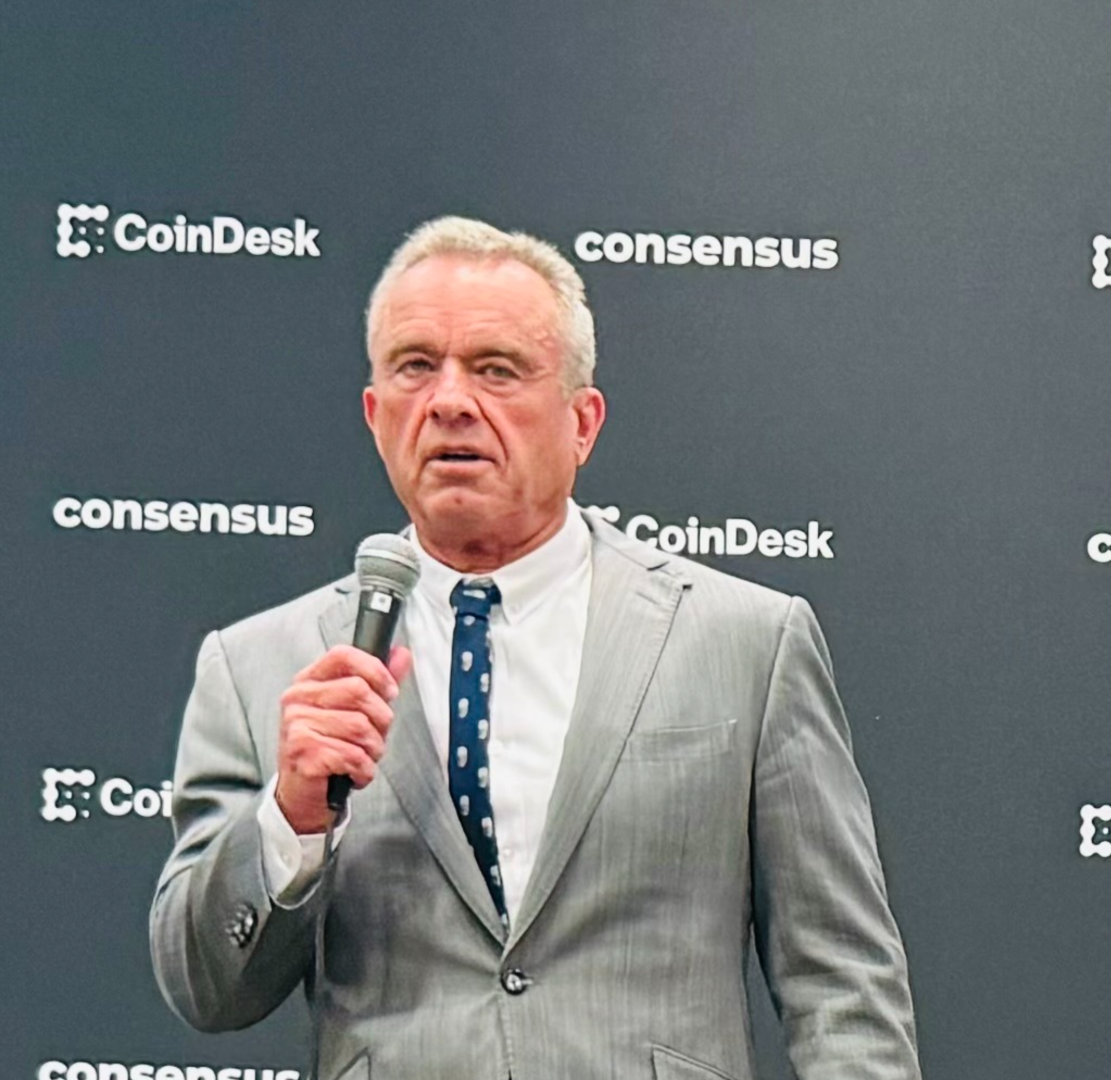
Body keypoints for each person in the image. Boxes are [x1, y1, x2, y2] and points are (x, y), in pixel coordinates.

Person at [150, 216, 920, 1080]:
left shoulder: (745, 641)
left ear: (583, 422)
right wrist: (292, 817)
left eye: (496, 369)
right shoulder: (260, 666)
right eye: (415, 366)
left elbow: (843, 986)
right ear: (374, 415)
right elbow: (206, 989)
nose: (449, 401)